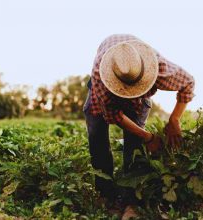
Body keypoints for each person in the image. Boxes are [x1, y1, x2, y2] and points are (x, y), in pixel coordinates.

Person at [83, 34, 195, 219]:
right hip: (103, 94)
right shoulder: (101, 77)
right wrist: (149, 137)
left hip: (140, 82)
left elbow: (188, 83)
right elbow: (114, 115)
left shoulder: (158, 68)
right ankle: (105, 193)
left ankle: (132, 200)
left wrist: (174, 119)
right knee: (97, 137)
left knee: (134, 146)